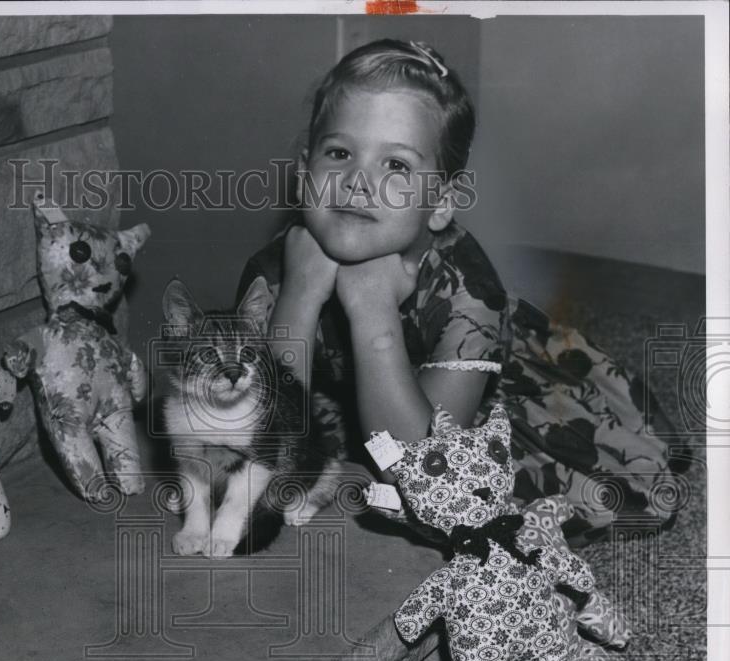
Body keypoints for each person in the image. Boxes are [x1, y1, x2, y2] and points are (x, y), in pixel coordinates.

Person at [236, 38, 681, 534]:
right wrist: (299, 297)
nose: (358, 180)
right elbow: (268, 434)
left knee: (474, 501)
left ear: (441, 202)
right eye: (339, 152)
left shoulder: (469, 291)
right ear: (303, 175)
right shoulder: (275, 272)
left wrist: (373, 313)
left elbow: (418, 471)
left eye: (397, 165)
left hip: (465, 411)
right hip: (343, 397)